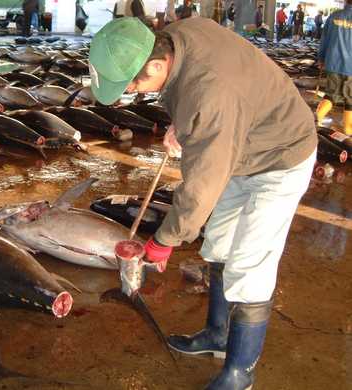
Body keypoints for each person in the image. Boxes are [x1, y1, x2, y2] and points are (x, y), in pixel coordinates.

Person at [89, 17, 317, 390]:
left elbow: (199, 190)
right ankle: (217, 335)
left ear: (158, 64)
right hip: (241, 146)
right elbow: (199, 99)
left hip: (280, 157)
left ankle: (239, 373)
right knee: (218, 245)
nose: (132, 91)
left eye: (133, 83)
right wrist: (183, 120)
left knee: (249, 266)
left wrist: (163, 242)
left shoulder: (210, 96)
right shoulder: (178, 35)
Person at [316, 0, 352, 135]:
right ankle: (348, 132)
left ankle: (315, 122)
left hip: (333, 63)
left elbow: (324, 39)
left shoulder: (334, 16)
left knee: (331, 95)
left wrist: (321, 58)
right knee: (350, 100)